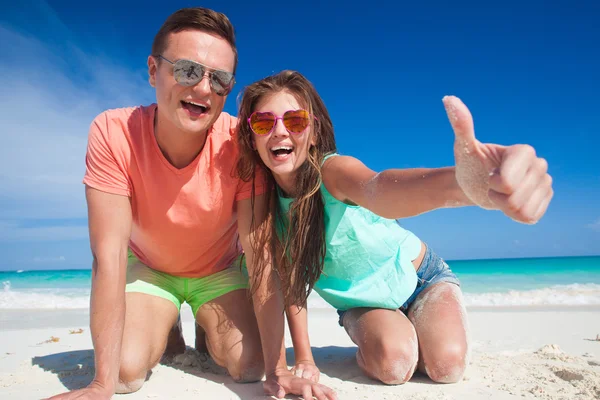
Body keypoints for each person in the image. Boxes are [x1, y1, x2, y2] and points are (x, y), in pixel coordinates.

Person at [235, 70, 553, 397]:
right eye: (263, 123)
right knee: (394, 366)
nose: (279, 132)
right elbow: (290, 286)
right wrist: (304, 358)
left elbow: (380, 189)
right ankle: (398, 335)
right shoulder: (266, 211)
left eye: (295, 121)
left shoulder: (333, 172)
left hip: (423, 279)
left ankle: (422, 330)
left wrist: (464, 184)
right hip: (363, 306)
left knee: (447, 367)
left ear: (313, 132)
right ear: (253, 136)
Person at [49, 7, 271, 399]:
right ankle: (166, 322)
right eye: (188, 70)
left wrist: (284, 364)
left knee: (251, 367)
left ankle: (205, 325)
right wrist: (100, 384)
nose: (203, 89)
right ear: (154, 71)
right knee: (124, 374)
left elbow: (258, 252)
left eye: (219, 80)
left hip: (218, 269)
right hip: (149, 268)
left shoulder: (240, 141)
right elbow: (110, 254)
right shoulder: (113, 132)